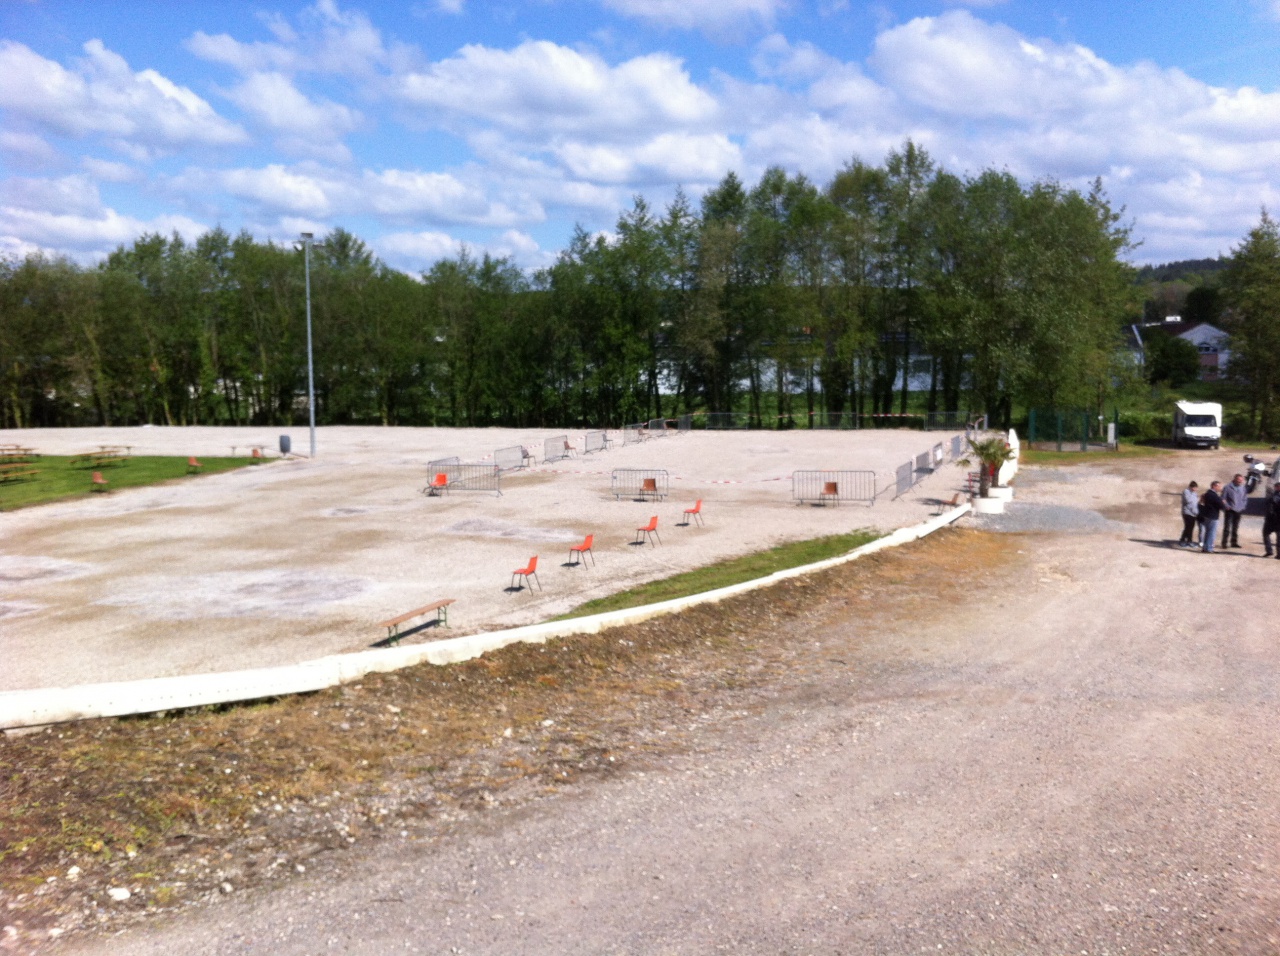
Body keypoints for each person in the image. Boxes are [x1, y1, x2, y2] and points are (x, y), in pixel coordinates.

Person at [1221, 473, 1248, 549]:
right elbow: (1223, 498)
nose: (1240, 482)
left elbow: (1245, 498)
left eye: (1241, 480)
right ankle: (1224, 543)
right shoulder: (1227, 487)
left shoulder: (1243, 488)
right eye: (1239, 480)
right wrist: (1227, 506)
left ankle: (1234, 542)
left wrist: (1243, 506)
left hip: (1239, 510)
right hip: (1230, 510)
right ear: (1235, 479)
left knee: (1235, 527)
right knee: (1227, 527)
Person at [1200, 480, 1225, 554]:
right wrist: (1223, 502)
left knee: (1208, 532)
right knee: (1211, 532)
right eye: (1219, 486)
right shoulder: (1214, 495)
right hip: (1213, 516)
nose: (1220, 488)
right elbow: (1221, 505)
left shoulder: (1207, 494)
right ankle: (1209, 548)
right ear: (1214, 486)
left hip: (1207, 515)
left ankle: (1206, 547)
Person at [1178, 480, 1200, 547]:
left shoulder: (1194, 493)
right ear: (1191, 487)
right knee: (1188, 527)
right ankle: (1187, 541)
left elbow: (1195, 502)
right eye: (1195, 488)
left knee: (1190, 527)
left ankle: (1185, 540)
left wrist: (1196, 511)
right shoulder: (1186, 492)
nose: (1196, 489)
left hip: (1193, 513)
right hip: (1187, 512)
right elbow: (1189, 501)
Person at [1264, 480, 1280, 560]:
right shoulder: (1273, 495)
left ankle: (1269, 551)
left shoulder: (1273, 496)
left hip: (1272, 520)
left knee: (1266, 534)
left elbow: (1269, 508)